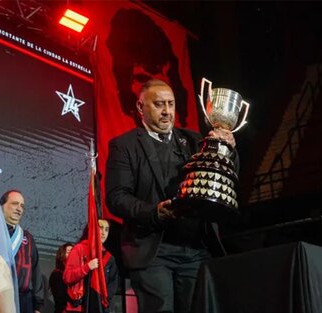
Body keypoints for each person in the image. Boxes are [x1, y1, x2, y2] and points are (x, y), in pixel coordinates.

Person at [105, 79, 238, 313]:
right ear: (140, 108)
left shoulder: (195, 140)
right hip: (153, 251)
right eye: (159, 104)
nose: (167, 112)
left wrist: (229, 148)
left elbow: (224, 173)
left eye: (171, 104)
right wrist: (154, 213)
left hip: (195, 249)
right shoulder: (124, 146)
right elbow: (117, 197)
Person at [106, 8, 189, 127]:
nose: (155, 95)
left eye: (161, 86)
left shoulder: (184, 140)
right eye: (142, 80)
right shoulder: (122, 142)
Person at [0, 189, 44, 313]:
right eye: (14, 203)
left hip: (24, 301)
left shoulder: (27, 237)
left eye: (22, 206)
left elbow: (35, 271)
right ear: (1, 206)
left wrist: (37, 305)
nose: (19, 208)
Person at [63, 219, 118, 313]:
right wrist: (87, 267)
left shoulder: (110, 257)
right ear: (92, 228)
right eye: (100, 228)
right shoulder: (79, 249)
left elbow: (113, 284)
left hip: (100, 308)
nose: (103, 233)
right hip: (79, 308)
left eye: (106, 229)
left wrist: (102, 299)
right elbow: (67, 277)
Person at [49, 242, 73, 313]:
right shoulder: (57, 274)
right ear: (62, 255)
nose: (72, 255)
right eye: (69, 252)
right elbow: (61, 298)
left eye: (73, 252)